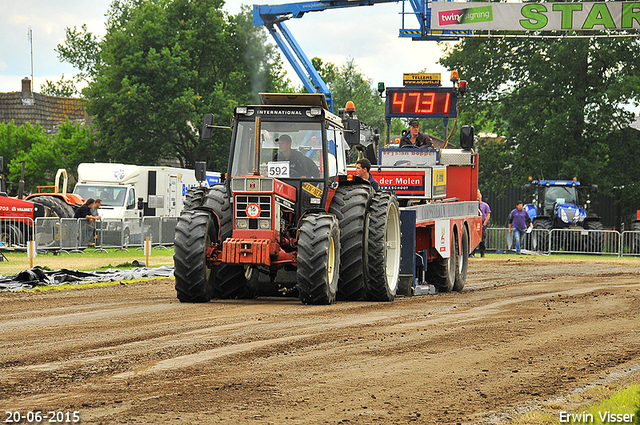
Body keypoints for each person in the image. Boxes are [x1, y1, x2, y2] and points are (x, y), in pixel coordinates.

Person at [471, 190, 491, 258]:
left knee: (482, 239)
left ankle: (482, 253)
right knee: (473, 238)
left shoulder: (485, 205)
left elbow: (488, 215)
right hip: (474, 223)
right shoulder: (473, 205)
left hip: (482, 223)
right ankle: (472, 253)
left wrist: (484, 223)